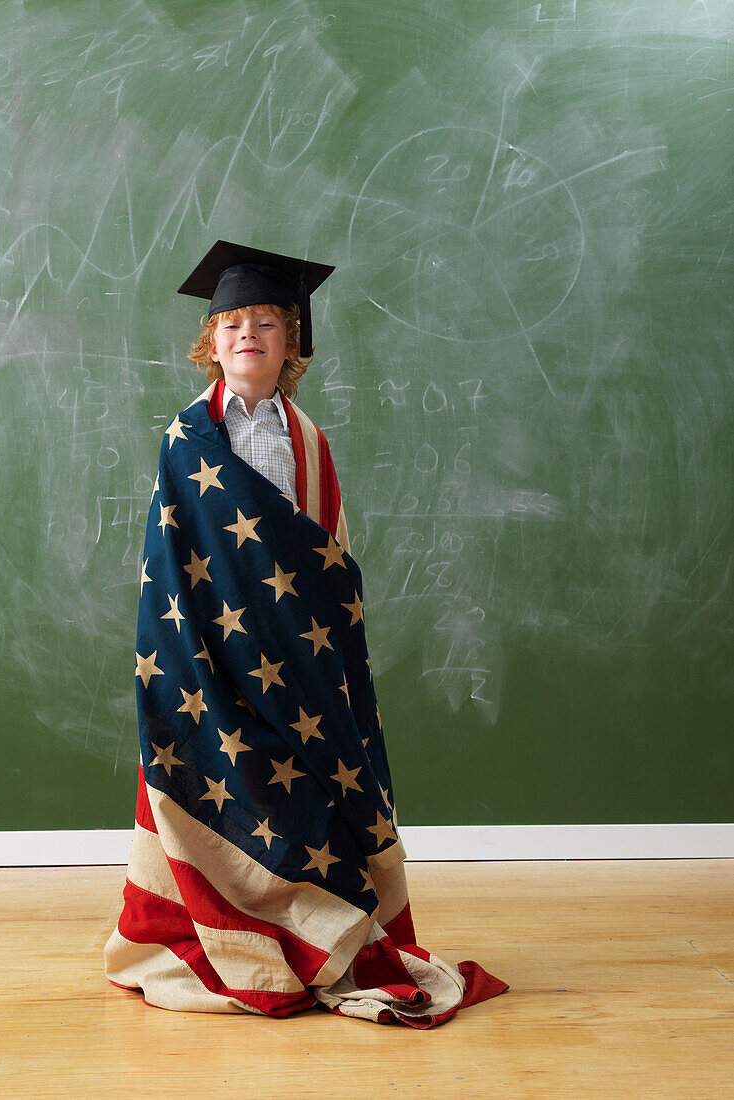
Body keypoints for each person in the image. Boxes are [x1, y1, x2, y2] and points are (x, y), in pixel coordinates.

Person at [103, 240, 509, 1027]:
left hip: (302, 655)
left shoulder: (309, 439)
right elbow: (173, 559)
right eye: (231, 325)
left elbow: (327, 552)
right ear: (210, 345)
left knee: (313, 796)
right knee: (242, 785)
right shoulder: (188, 442)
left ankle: (315, 929)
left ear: (292, 343)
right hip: (218, 656)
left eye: (264, 323)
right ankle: (233, 928)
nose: (246, 335)